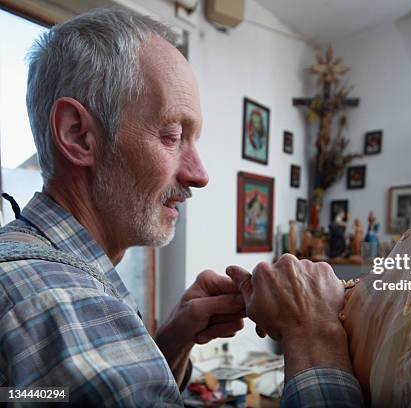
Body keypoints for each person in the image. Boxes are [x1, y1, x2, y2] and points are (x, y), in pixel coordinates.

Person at [0, 7, 363, 407]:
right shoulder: (64, 304)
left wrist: (168, 345)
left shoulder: (27, 271)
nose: (200, 174)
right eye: (173, 135)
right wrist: (313, 335)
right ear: (79, 135)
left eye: (194, 140)